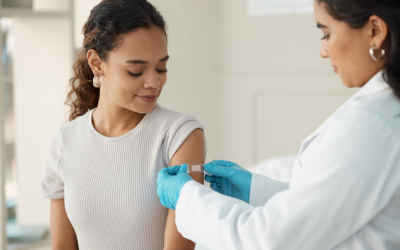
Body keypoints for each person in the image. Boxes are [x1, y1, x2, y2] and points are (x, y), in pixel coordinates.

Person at [157, 0, 400, 249]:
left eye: (326, 34)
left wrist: (187, 197)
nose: (323, 51)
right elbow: (330, 208)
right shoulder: (383, 114)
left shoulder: (373, 124)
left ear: (375, 31)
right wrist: (256, 191)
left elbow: (269, 238)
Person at [41, 0, 205, 249]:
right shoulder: (65, 143)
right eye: (136, 71)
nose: (154, 82)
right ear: (96, 64)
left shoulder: (179, 136)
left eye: (161, 67)